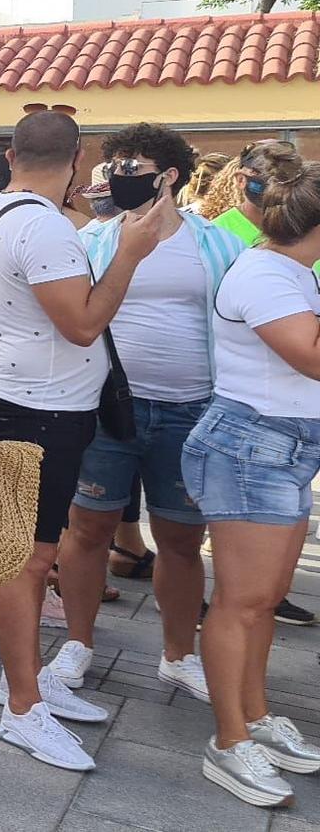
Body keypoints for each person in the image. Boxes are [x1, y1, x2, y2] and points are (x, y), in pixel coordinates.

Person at [0, 110, 163, 771]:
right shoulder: (40, 223)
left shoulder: (6, 210)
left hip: (36, 401)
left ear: (11, 151)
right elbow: (82, 324)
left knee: (32, 552)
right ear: (77, 157)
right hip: (42, 409)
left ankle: (23, 681)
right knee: (26, 559)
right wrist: (131, 256)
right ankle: (21, 704)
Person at [49, 125, 244, 706]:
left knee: (183, 539)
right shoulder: (94, 241)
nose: (117, 177)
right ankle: (77, 645)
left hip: (192, 410)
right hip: (110, 408)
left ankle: (179, 655)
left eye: (132, 165)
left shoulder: (219, 246)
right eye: (113, 166)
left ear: (170, 177)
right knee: (87, 531)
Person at [185, 156, 320, 807]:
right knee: (240, 600)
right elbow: (311, 356)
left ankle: (258, 716)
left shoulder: (290, 270)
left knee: (264, 598)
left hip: (285, 445)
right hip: (250, 446)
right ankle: (229, 739)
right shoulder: (265, 272)